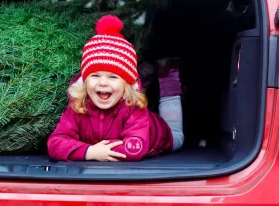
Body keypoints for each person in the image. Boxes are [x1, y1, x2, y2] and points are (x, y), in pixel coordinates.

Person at [47, 15, 184, 162]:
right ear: (85, 81)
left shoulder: (134, 108)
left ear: (127, 84)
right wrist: (90, 151)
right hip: (122, 115)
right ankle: (146, 73)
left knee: (178, 136)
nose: (103, 83)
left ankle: (168, 75)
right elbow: (55, 143)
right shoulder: (78, 106)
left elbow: (135, 148)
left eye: (113, 77)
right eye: (95, 75)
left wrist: (99, 150)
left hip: (161, 134)